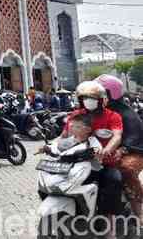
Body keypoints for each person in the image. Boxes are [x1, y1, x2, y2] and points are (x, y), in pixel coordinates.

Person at [63, 81, 123, 239]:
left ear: (101, 99)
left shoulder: (113, 116)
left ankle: (110, 228)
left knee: (113, 180)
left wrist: (107, 149)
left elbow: (116, 135)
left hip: (104, 163)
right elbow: (64, 135)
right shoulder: (76, 115)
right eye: (85, 98)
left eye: (92, 97)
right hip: (78, 162)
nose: (88, 101)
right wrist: (52, 146)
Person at [96, 74, 143, 219]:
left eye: (100, 94)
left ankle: (138, 210)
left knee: (126, 169)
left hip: (132, 152)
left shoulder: (127, 114)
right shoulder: (96, 112)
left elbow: (134, 137)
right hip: (103, 152)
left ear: (111, 94)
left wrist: (123, 149)